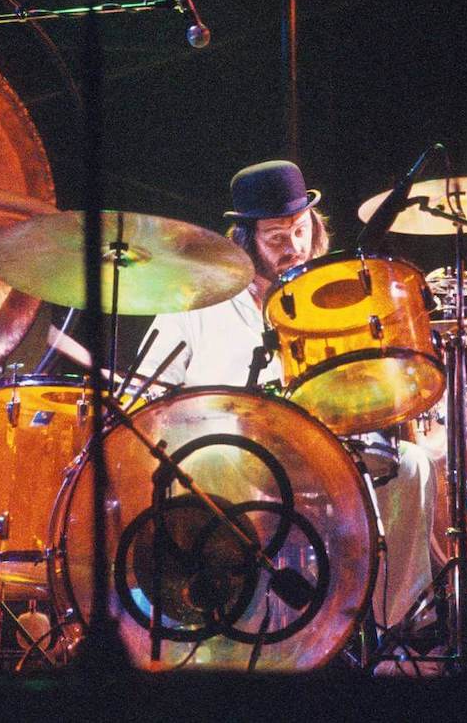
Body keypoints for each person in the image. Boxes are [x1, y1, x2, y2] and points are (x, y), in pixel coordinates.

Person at [135, 159, 436, 631]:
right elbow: (143, 398)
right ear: (246, 240)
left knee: (412, 466)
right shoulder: (195, 303)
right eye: (276, 238)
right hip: (222, 463)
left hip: (312, 457)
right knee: (218, 452)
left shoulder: (329, 298)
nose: (293, 248)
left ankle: (395, 633)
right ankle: (244, 621)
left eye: (299, 231)